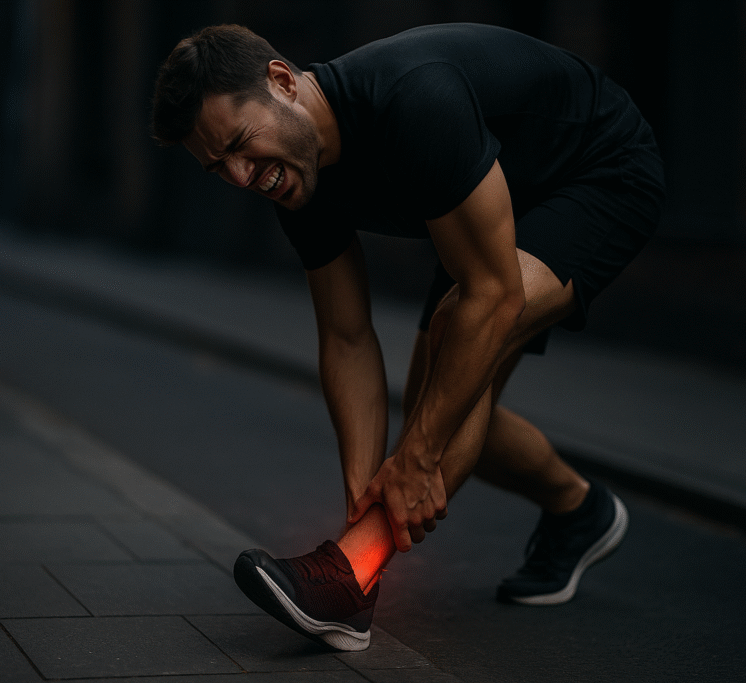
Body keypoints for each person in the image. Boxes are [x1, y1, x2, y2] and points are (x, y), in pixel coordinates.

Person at [152, 22, 664, 651]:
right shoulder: (295, 174)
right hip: (494, 192)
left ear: (282, 82)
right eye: (217, 167)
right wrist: (366, 485)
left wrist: (415, 461)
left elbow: (494, 295)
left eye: (239, 143)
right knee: (441, 397)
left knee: (459, 339)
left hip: (598, 171)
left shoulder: (414, 101)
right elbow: (345, 336)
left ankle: (346, 581)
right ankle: (578, 511)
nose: (239, 176)